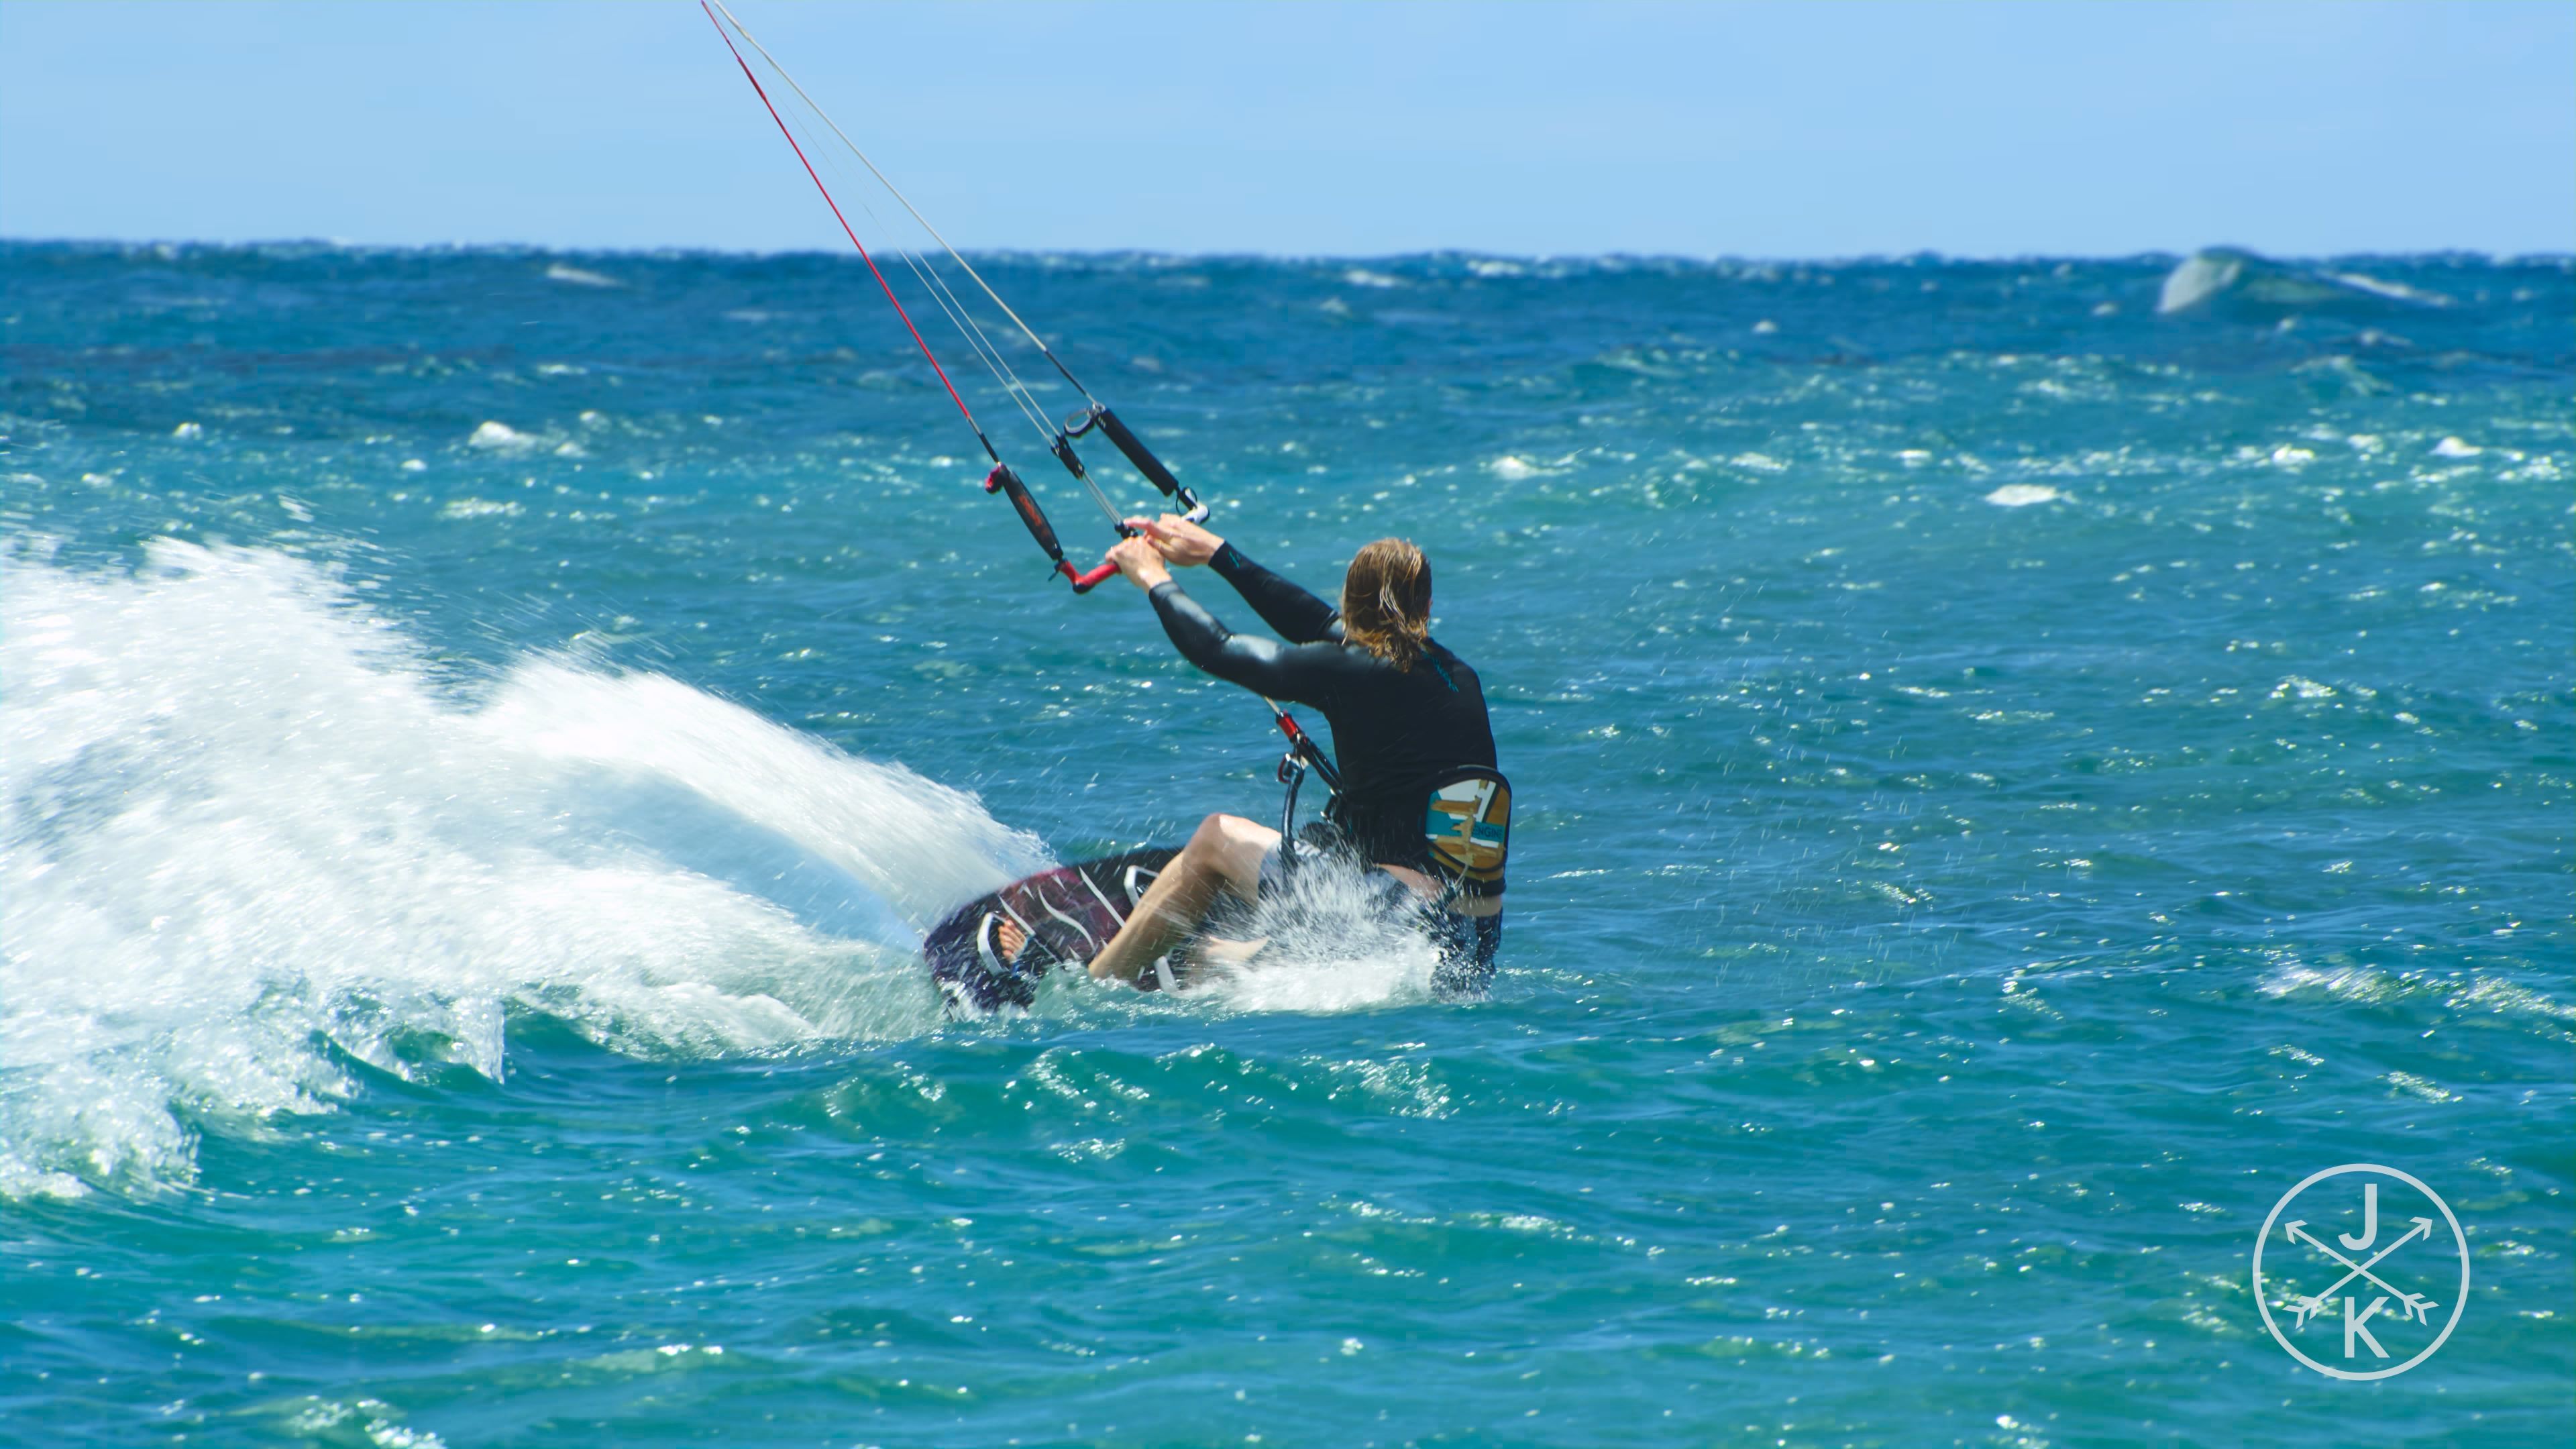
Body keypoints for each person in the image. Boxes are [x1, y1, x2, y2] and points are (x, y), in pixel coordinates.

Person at [1040, 515, 1505, 989]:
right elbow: (1320, 624)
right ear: (1426, 605)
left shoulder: (1354, 673)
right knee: (1214, 957)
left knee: (1216, 837)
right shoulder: (1458, 675)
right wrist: (1218, 554)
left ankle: (1091, 982)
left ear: (1350, 602)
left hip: (1393, 918)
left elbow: (1218, 649)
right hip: (1469, 943)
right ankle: (1201, 962)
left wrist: (1153, 578)